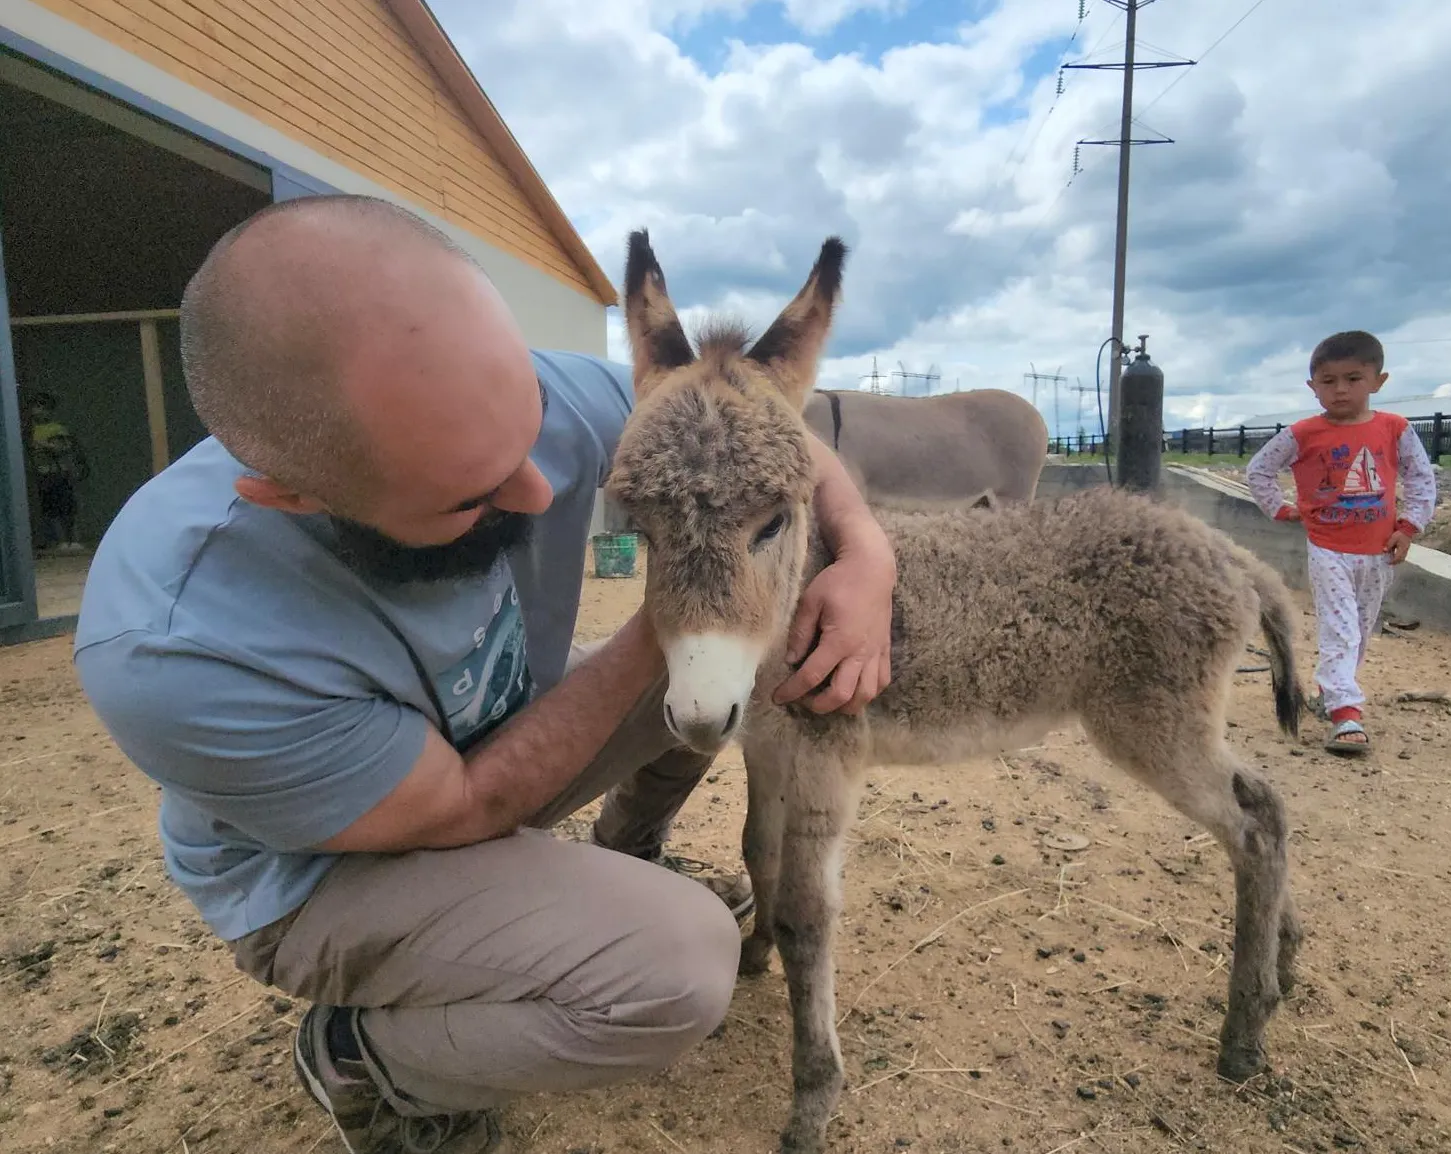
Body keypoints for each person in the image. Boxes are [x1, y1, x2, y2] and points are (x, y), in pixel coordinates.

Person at [70, 194, 899, 1154]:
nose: (542, 488)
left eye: (531, 428)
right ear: (292, 497)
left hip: (491, 737)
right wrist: (678, 616)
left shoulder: (523, 405)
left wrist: (867, 552)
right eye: (474, 493)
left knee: (719, 690)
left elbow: (756, 423)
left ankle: (623, 855)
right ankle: (366, 1061)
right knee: (678, 967)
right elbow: (464, 804)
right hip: (339, 864)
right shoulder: (178, 650)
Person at [1245, 330, 1437, 756]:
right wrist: (1280, 508)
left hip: (1378, 551)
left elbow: (1422, 479)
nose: (1340, 389)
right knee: (1341, 627)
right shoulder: (1302, 433)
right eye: (1328, 381)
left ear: (1378, 381)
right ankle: (1345, 712)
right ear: (1313, 387)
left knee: (1361, 630)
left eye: (1353, 378)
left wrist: (1408, 527)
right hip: (1328, 547)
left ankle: (1329, 692)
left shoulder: (1394, 429)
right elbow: (1258, 470)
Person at [27, 391, 87, 553]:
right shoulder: (30, 430)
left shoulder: (57, 428)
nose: (38, 411)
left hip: (59, 473)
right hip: (42, 475)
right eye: (36, 407)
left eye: (43, 407)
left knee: (67, 508)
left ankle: (73, 540)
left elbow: (63, 448)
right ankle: (59, 541)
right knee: (50, 509)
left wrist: (43, 445)